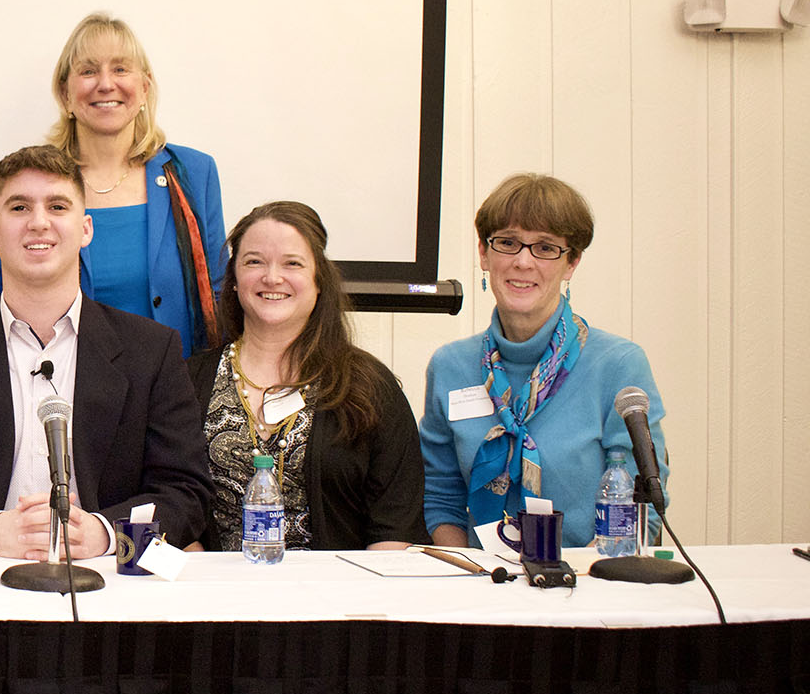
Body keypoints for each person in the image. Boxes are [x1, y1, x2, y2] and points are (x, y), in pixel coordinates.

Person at [0, 145, 213, 556]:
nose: (39, 223)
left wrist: (107, 535)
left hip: (108, 587)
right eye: (18, 208)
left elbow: (188, 495)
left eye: (57, 206)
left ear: (86, 228)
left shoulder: (152, 352)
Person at [420, 173, 668, 549]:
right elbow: (440, 497)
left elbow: (640, 508)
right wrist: (470, 579)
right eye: (507, 243)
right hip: (481, 588)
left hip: (587, 587)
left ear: (571, 263)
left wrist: (577, 583)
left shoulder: (618, 365)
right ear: (484, 255)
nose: (523, 262)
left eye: (546, 248)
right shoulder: (450, 366)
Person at [0, 12, 226, 357]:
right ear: (65, 94)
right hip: (61, 395)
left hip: (174, 390)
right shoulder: (31, 180)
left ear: (145, 88)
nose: (105, 84)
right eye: (88, 71)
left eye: (120, 69)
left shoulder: (192, 173)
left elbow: (219, 294)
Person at [184, 201, 423, 551]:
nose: (272, 277)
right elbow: (168, 502)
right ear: (233, 279)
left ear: (319, 280)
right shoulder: (187, 382)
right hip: (216, 598)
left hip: (342, 598)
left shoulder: (370, 388)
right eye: (254, 261)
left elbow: (396, 526)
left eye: (292, 263)